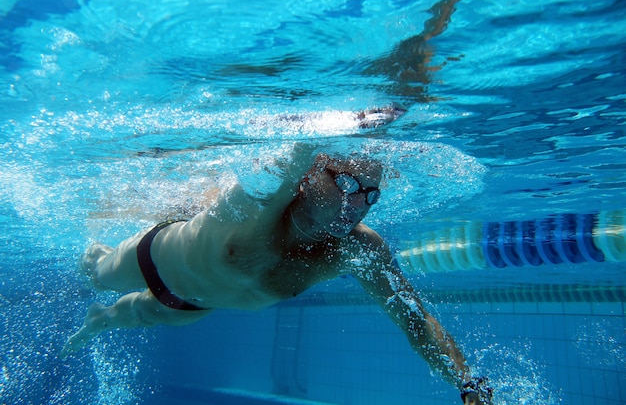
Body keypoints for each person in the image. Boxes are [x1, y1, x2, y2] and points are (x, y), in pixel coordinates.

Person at [62, 145, 492, 404]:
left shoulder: (359, 249)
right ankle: (95, 254)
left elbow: (414, 320)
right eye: (345, 184)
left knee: (122, 316)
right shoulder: (266, 199)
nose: (357, 205)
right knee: (98, 273)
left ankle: (100, 319)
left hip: (194, 305)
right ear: (309, 174)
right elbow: (295, 146)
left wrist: (466, 380)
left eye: (370, 195)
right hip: (152, 259)